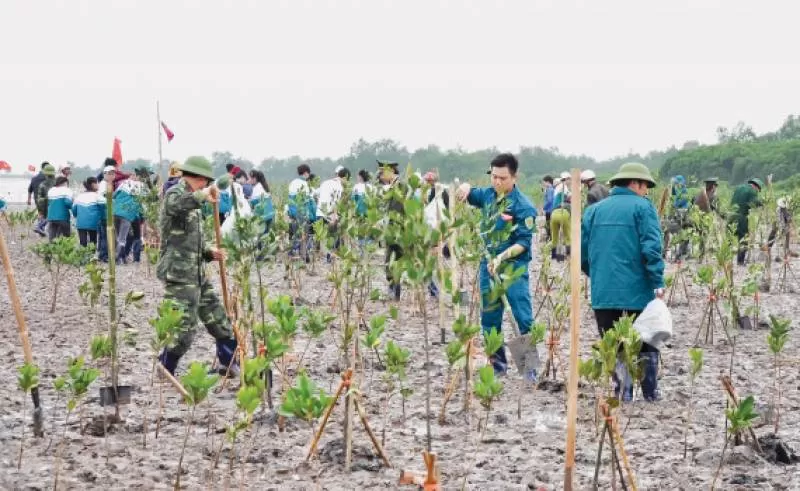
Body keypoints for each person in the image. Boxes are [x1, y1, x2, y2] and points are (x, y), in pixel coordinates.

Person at [581, 162, 664, 402]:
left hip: (603, 292)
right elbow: (651, 248)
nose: (646, 191)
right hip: (638, 291)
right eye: (645, 186)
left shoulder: (593, 211)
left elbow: (583, 254)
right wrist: (657, 280)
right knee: (646, 339)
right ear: (635, 183)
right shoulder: (643, 208)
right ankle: (650, 392)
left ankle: (623, 391)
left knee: (613, 342)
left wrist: (598, 276)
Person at [456, 153, 538, 380]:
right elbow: (469, 193)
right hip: (487, 268)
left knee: (522, 317)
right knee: (490, 318)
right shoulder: (488, 196)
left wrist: (501, 257)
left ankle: (529, 370)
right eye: (494, 177)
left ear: (514, 177)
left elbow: (523, 242)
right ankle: (498, 365)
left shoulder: (524, 206)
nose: (497, 182)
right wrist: (464, 187)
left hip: (512, 268)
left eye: (502, 178)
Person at [156, 156, 238, 376]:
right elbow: (176, 205)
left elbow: (193, 239)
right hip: (180, 274)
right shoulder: (175, 193)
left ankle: (229, 364)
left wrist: (210, 252)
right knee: (184, 327)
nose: (206, 185)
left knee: (219, 318)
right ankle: (166, 368)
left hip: (198, 273)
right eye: (205, 182)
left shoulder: (195, 202)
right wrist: (203, 195)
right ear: (199, 179)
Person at [378, 160, 407, 301]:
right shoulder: (391, 187)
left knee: (398, 261)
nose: (381, 177)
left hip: (399, 231)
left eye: (383, 173)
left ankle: (396, 291)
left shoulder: (401, 186)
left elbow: (399, 210)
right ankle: (392, 289)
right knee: (389, 261)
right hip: (391, 231)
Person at [423, 170, 451, 298]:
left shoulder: (438, 194)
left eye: (429, 181)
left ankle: (436, 290)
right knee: (433, 263)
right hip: (435, 232)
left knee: (434, 262)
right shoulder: (430, 194)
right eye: (427, 181)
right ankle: (435, 290)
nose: (428, 183)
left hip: (436, 232)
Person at [317, 167, 351, 261]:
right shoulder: (338, 186)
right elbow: (335, 203)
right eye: (347, 181)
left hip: (320, 212)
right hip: (330, 214)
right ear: (344, 178)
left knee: (324, 238)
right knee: (333, 237)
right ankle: (330, 258)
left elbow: (316, 195)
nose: (346, 183)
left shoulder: (325, 182)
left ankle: (327, 257)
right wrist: (335, 217)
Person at [112, 176, 145, 264]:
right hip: (128, 214)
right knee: (122, 239)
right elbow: (144, 202)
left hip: (116, 213)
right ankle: (119, 259)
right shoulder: (141, 186)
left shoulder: (124, 184)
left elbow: (114, 196)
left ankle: (122, 258)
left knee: (119, 237)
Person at [731, 177, 763, 265]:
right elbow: (753, 203)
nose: (757, 192)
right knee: (744, 239)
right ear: (756, 186)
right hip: (741, 217)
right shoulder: (752, 191)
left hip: (730, 215)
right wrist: (761, 203)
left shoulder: (739, 188)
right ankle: (740, 261)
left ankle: (725, 261)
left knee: (730, 238)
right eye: (758, 190)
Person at [287, 164, 317, 259]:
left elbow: (290, 200)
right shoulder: (305, 184)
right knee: (304, 235)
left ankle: (295, 253)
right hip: (303, 213)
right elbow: (308, 202)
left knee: (296, 234)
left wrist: (292, 213)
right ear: (306, 173)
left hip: (294, 213)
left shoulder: (292, 183)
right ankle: (303, 255)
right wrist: (312, 216)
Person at [72, 177, 101, 248]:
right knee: (93, 242)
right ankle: (92, 257)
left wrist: (77, 216)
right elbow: (102, 209)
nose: (98, 185)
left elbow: (74, 209)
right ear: (93, 184)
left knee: (83, 243)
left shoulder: (79, 196)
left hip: (81, 223)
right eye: (97, 183)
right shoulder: (97, 196)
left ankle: (83, 258)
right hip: (93, 223)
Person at [96, 166, 116, 262]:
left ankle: (101, 254)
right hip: (105, 213)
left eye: (113, 173)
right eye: (109, 174)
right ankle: (103, 256)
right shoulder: (104, 185)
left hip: (104, 212)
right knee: (105, 236)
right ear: (105, 174)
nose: (112, 176)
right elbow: (104, 198)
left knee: (102, 235)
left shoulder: (107, 184)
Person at [550, 172, 572, 261]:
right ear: (566, 179)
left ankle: (556, 257)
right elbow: (569, 196)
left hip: (554, 213)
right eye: (569, 179)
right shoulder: (564, 187)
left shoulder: (556, 189)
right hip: (563, 212)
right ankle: (568, 255)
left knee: (555, 236)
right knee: (567, 235)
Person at [46, 176, 73, 240]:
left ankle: (52, 248)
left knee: (52, 236)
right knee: (66, 236)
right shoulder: (67, 190)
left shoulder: (51, 190)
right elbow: (68, 203)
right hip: (63, 217)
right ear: (64, 183)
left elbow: (49, 203)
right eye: (67, 183)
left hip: (51, 217)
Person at [35, 164, 57, 237]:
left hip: (46, 207)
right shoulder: (58, 183)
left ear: (45, 175)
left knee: (48, 221)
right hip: (57, 206)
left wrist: (41, 210)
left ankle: (40, 227)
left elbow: (39, 200)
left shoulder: (42, 184)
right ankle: (40, 227)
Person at [29, 162, 51, 236]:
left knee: (41, 214)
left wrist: (28, 199)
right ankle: (39, 227)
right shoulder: (48, 178)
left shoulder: (34, 178)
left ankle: (41, 231)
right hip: (46, 199)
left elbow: (30, 190)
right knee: (49, 215)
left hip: (37, 199)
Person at [541, 175, 555, 241]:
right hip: (552, 209)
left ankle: (549, 238)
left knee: (548, 225)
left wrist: (543, 208)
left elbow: (549, 200)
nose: (543, 184)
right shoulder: (552, 189)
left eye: (544, 182)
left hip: (549, 210)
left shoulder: (549, 189)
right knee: (550, 225)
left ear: (548, 182)